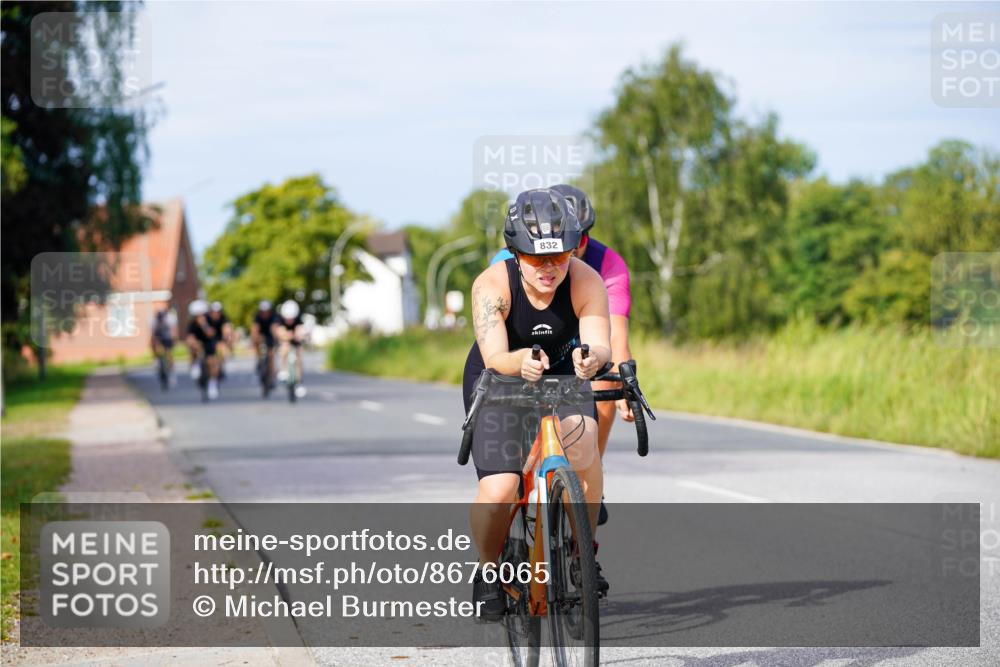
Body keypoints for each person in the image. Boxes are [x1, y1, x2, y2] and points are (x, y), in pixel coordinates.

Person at [464, 188, 612, 619]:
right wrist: (521, 361)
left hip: (564, 376)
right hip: (501, 377)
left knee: (583, 449)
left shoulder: (586, 280)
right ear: (515, 253)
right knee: (501, 488)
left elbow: (600, 343)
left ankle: (581, 552)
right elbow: (495, 356)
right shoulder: (491, 285)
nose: (549, 268)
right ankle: (488, 568)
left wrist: (592, 358)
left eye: (559, 256)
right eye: (536, 258)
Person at [489, 184, 634, 525]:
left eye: (579, 239)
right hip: (521, 346)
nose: (570, 247)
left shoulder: (607, 265)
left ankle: (588, 474)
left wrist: (623, 383)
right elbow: (493, 339)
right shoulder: (506, 263)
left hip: (578, 342)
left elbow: (615, 334)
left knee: (605, 386)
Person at [185, 299, 221, 400]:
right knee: (193, 345)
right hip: (198, 343)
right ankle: (195, 363)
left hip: (208, 342)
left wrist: (204, 325)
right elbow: (190, 336)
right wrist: (193, 343)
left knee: (211, 362)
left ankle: (212, 384)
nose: (198, 317)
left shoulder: (209, 320)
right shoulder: (192, 323)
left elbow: (211, 334)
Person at [274, 299, 307, 398]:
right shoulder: (280, 319)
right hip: (285, 338)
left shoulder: (299, 318)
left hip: (295, 338)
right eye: (287, 318)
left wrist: (300, 335)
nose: (289, 320)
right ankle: (283, 369)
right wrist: (284, 336)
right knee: (284, 348)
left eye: (291, 318)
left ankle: (299, 379)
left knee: (299, 355)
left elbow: (301, 330)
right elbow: (278, 331)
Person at [251, 300, 278, 388]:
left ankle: (272, 375)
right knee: (256, 341)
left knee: (271, 354)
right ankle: (258, 358)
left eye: (267, 311)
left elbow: (275, 328)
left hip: (270, 335)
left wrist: (275, 339)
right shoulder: (258, 316)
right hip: (261, 334)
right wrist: (255, 337)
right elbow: (255, 329)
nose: (265, 313)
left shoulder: (274, 316)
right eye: (263, 311)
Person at [149, 307, 177, 386]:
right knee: (154, 345)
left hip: (167, 337)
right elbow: (152, 335)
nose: (161, 320)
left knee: (169, 354)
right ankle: (156, 360)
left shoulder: (170, 320)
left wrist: (173, 341)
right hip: (158, 336)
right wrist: (153, 344)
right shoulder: (153, 321)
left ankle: (172, 374)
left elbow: (173, 332)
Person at [207, 301, 233, 380]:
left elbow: (227, 328)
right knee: (210, 359)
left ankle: (220, 365)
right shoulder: (207, 318)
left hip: (219, 338)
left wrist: (228, 338)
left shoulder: (224, 318)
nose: (216, 314)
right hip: (209, 339)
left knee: (223, 351)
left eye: (218, 312)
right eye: (215, 312)